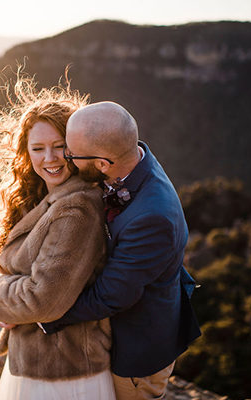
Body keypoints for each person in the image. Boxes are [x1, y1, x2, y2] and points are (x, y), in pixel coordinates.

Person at [40, 101, 202, 400]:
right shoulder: (133, 158)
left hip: (138, 354)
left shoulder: (152, 218)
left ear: (103, 164)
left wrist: (43, 313)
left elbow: (112, 295)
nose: (67, 159)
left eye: (71, 154)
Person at [0, 76, 116, 400]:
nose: (49, 158)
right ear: (26, 152)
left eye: (60, 146)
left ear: (77, 147)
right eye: (38, 148)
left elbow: (43, 300)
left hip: (65, 375)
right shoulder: (44, 198)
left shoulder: (77, 207)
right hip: (36, 365)